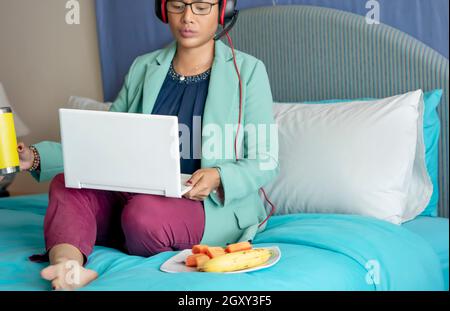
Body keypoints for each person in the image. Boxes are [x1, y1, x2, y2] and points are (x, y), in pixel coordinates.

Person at [3, 0, 279, 290]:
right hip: (137, 190)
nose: (187, 17)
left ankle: (106, 229)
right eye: (177, 6)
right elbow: (104, 142)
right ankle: (67, 265)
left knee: (141, 214)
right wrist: (35, 157)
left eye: (200, 7)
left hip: (205, 204)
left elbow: (266, 159)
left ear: (223, 12)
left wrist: (219, 176)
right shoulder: (144, 67)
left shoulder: (248, 72)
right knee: (65, 184)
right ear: (163, 10)